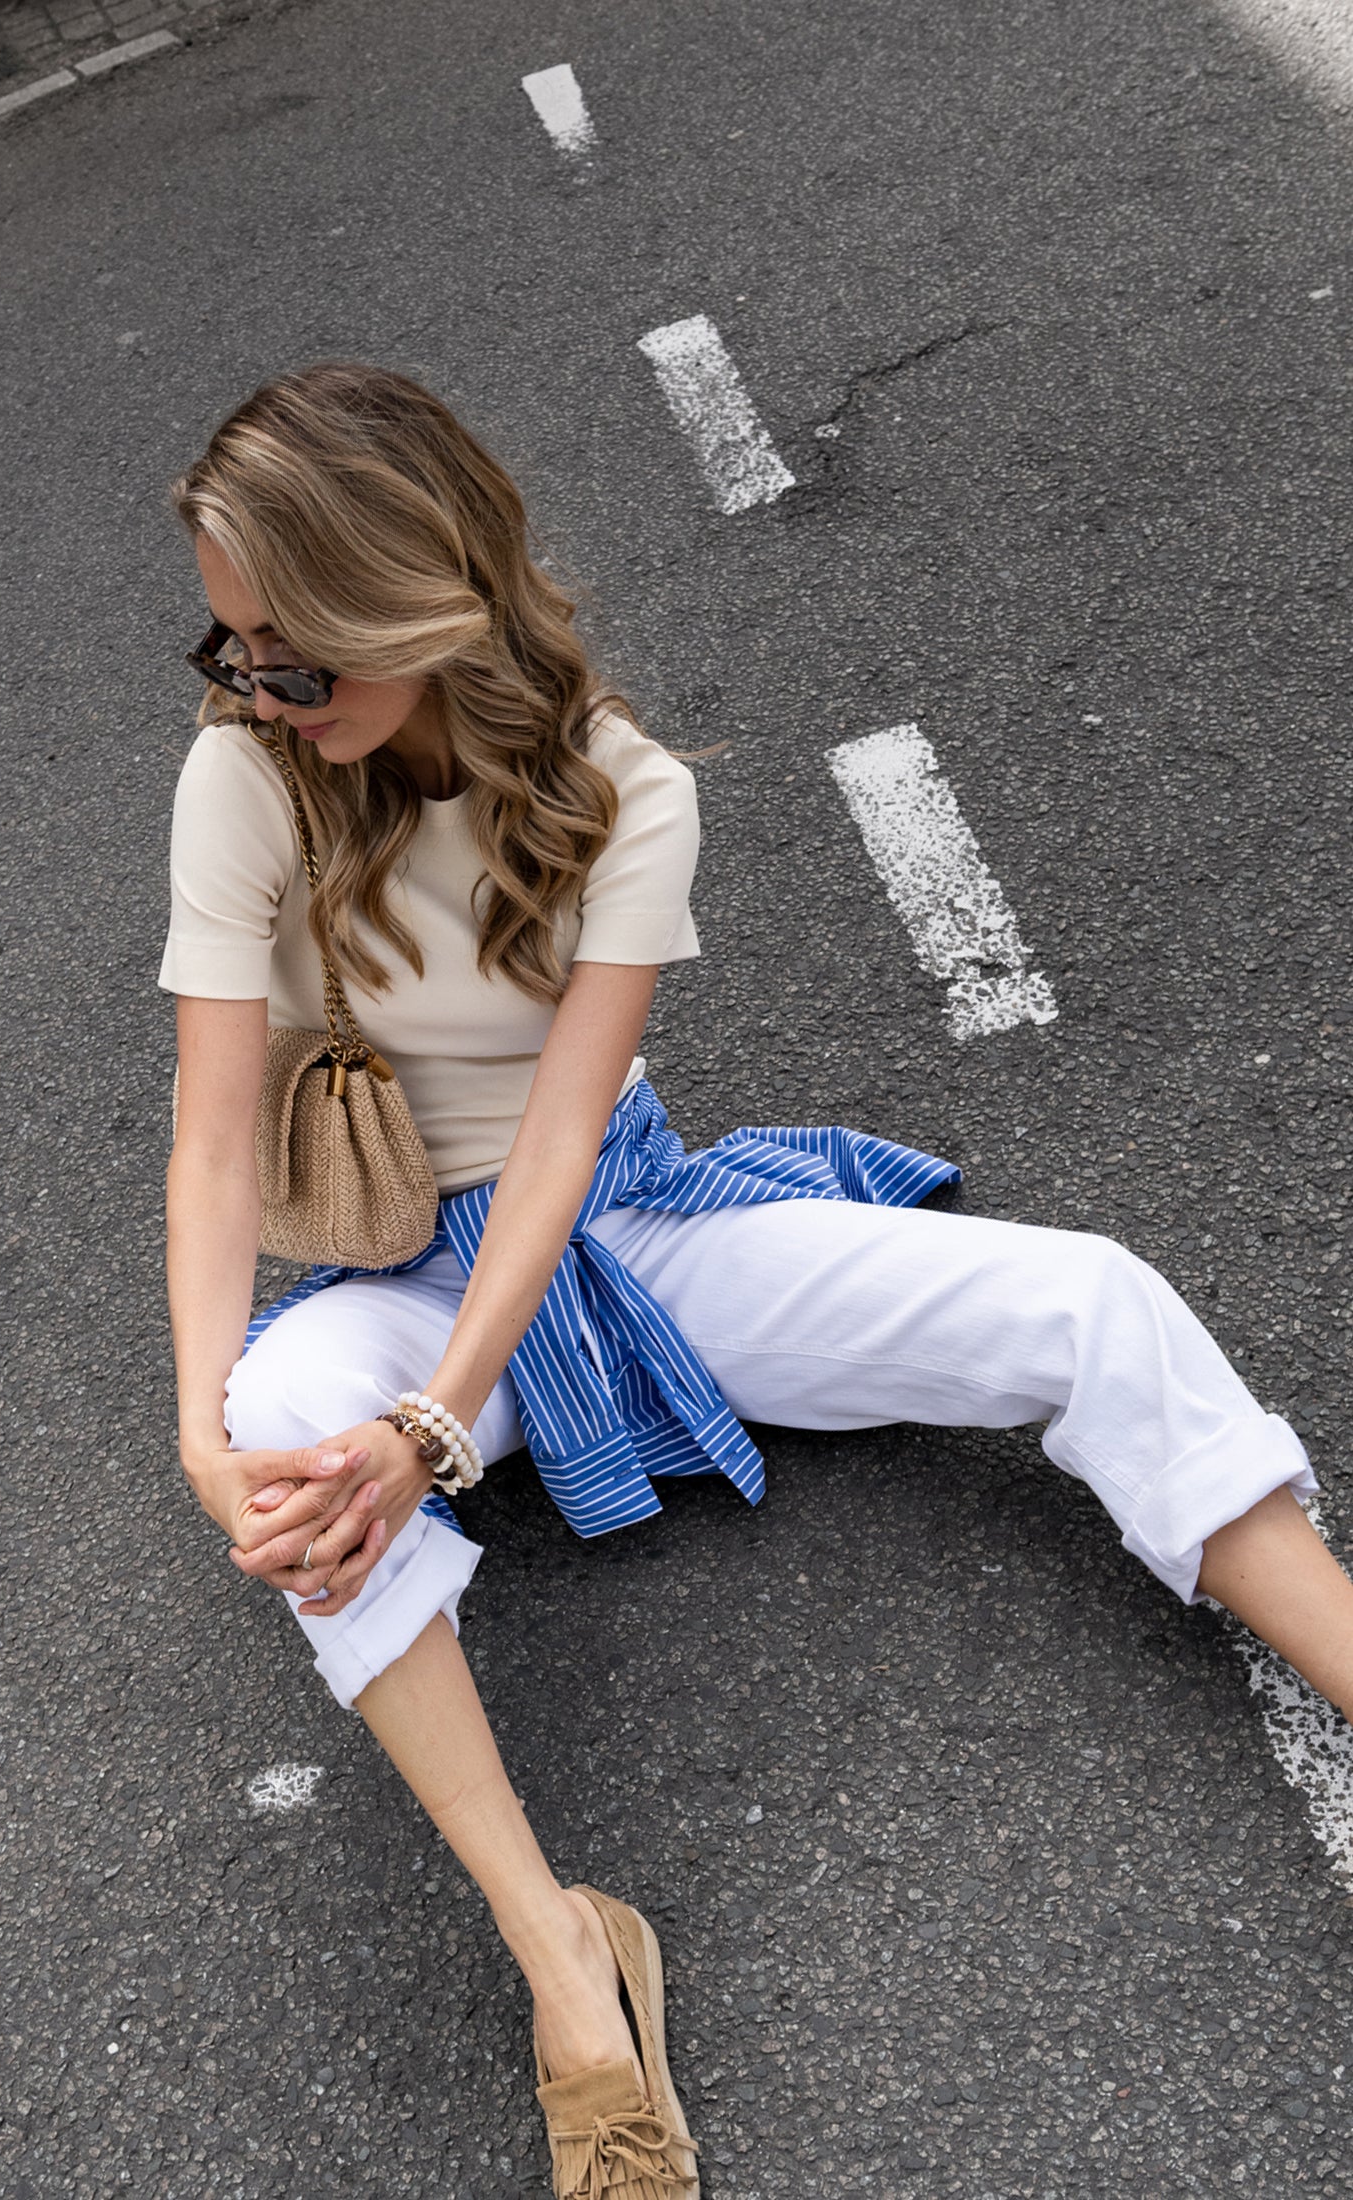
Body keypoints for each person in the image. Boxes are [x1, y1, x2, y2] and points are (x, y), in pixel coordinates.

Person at [158, 362, 1353, 2200]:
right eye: (230, 651)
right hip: (401, 1270)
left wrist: (431, 1423)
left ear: (416, 602)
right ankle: (569, 1956)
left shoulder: (620, 791)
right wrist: (206, 1438)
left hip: (623, 1237)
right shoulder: (244, 781)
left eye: (292, 655)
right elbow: (219, 1141)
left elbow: (559, 1147)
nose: (257, 693)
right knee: (271, 1422)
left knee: (1089, 1298)